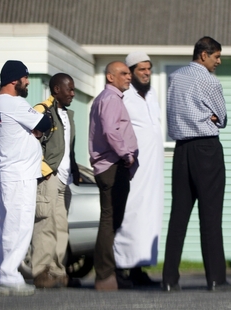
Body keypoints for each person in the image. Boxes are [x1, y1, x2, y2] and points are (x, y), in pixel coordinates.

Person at [162, 36, 231, 292]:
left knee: (178, 216)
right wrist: (210, 116)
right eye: (216, 57)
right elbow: (222, 117)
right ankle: (216, 279)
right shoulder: (209, 80)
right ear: (204, 55)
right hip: (206, 148)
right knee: (210, 216)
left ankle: (169, 279)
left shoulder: (175, 78)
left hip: (181, 149)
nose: (219, 62)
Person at [0, 60, 52, 296]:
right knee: (18, 227)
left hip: (9, 174)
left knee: (6, 227)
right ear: (15, 80)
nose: (27, 82)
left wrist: (32, 129)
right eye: (25, 78)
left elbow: (33, 127)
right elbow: (44, 123)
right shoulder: (12, 102)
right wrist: (36, 128)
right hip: (19, 176)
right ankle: (9, 277)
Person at [112, 52, 164, 287]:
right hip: (133, 169)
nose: (146, 73)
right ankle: (121, 267)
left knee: (147, 218)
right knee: (129, 217)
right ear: (130, 72)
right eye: (141, 69)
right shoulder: (124, 97)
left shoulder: (151, 95)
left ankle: (138, 268)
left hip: (153, 171)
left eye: (149, 69)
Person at [88, 61, 138, 291]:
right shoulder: (110, 99)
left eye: (129, 73)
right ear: (110, 77)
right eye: (124, 73)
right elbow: (110, 131)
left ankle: (110, 273)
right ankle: (105, 275)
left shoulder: (108, 99)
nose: (129, 77)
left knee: (113, 220)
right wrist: (126, 155)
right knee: (109, 220)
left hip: (114, 165)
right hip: (112, 165)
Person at [30, 73, 80, 288]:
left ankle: (58, 272)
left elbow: (68, 148)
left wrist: (75, 168)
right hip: (49, 177)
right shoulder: (42, 111)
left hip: (64, 179)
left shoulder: (68, 115)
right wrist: (43, 170)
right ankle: (41, 271)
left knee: (61, 227)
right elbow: (31, 143)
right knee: (45, 224)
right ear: (56, 89)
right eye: (69, 89)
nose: (72, 93)